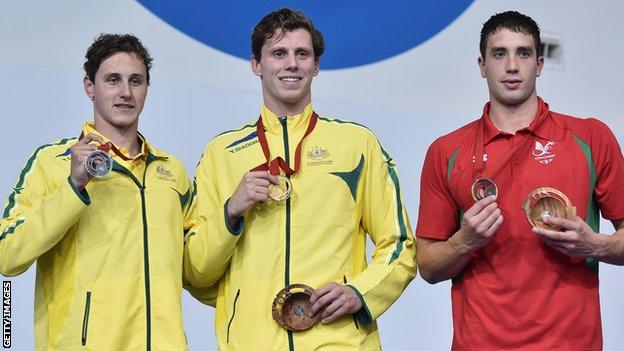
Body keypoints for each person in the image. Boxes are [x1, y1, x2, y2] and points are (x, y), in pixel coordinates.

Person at [184, 8, 416, 350]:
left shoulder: (357, 144)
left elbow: (400, 244)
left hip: (339, 341)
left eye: (302, 54)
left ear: (316, 66)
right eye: (278, 53)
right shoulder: (222, 154)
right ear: (256, 65)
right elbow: (194, 271)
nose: (291, 64)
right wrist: (231, 212)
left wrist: (360, 292)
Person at [416, 10, 624, 350]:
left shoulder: (590, 137)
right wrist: (465, 241)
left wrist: (595, 245)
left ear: (539, 64)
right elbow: (427, 265)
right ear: (482, 65)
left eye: (523, 53)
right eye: (500, 54)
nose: (512, 66)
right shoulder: (446, 151)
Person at [0, 34, 192, 350]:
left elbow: (195, 269)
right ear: (89, 86)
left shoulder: (171, 172)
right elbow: (8, 255)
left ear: (147, 88)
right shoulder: (52, 162)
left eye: (136, 81)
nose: (126, 92)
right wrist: (73, 186)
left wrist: (231, 217)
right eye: (113, 80)